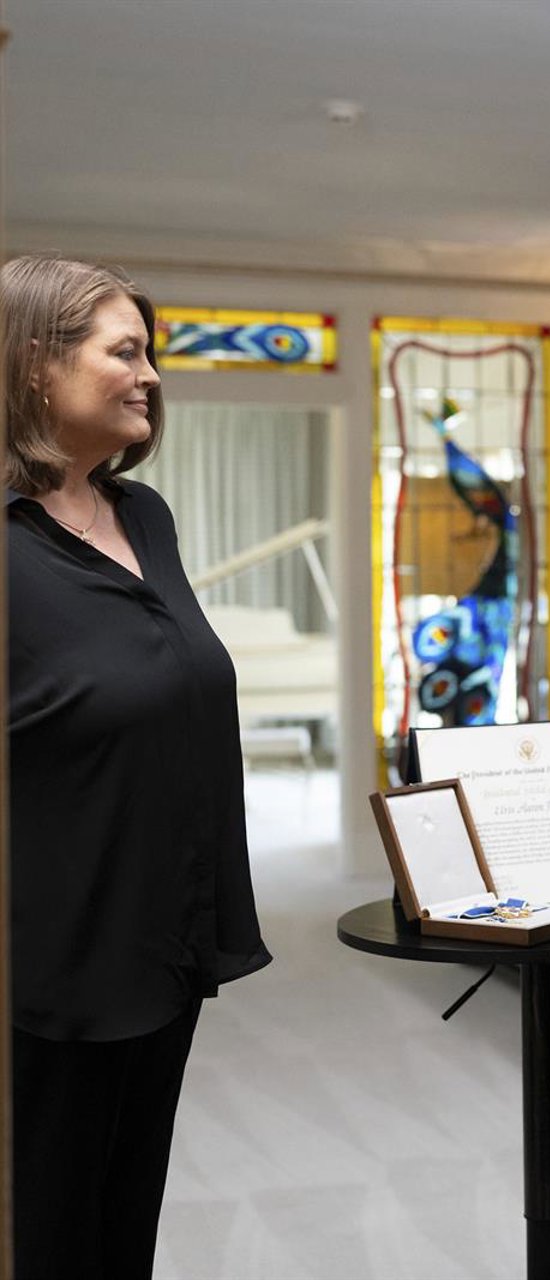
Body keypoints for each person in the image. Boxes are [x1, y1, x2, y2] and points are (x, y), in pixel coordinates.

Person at [4, 254, 272, 1280]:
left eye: (150, 353)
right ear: (36, 363)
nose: (151, 375)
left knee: (122, 1230)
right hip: (42, 972)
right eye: (125, 352)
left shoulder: (143, 514)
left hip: (160, 942)